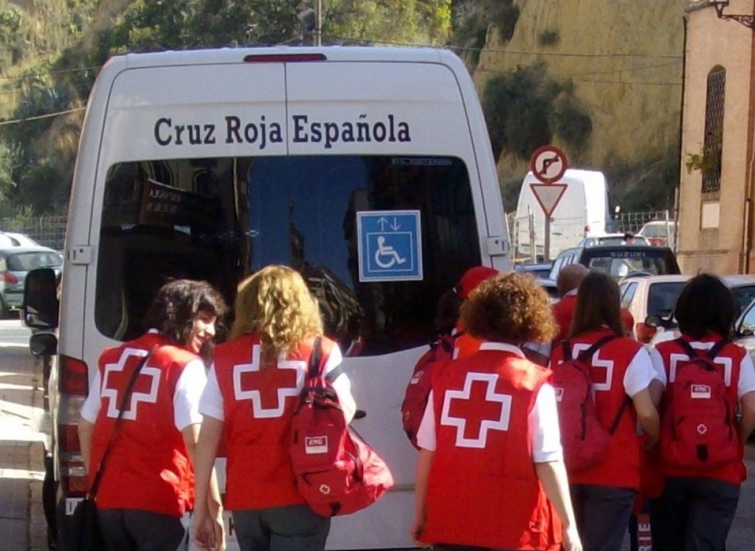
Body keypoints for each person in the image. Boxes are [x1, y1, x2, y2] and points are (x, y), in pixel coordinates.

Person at [412, 272, 582, 551]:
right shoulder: (534, 382)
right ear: (531, 323)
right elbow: (548, 460)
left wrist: (419, 514)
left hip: (451, 524)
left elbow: (428, 451)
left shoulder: (445, 376)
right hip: (513, 528)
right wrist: (570, 526)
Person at [192, 265, 357, 551]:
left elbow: (206, 439)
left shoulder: (225, 357)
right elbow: (345, 411)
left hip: (246, 500)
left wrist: (202, 510)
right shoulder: (321, 350)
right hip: (301, 493)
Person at [78, 279, 227, 551]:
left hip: (109, 505)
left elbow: (85, 426)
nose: (211, 331)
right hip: (160, 502)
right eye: (204, 319)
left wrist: (97, 484)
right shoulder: (184, 365)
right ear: (180, 314)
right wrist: (213, 508)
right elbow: (196, 442)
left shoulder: (112, 357)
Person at [548, 272, 659, 551]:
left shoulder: (561, 352)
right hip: (614, 470)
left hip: (567, 466)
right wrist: (653, 438)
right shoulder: (629, 351)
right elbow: (646, 413)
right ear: (614, 305)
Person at [649, 274, 755, 551]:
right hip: (721, 469)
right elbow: (752, 408)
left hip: (671, 466)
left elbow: (650, 402)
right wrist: (736, 440)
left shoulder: (663, 352)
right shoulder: (738, 356)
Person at [551, 264, 635, 345]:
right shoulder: (624, 317)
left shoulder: (550, 314)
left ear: (560, 286)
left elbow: (541, 356)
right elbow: (634, 350)